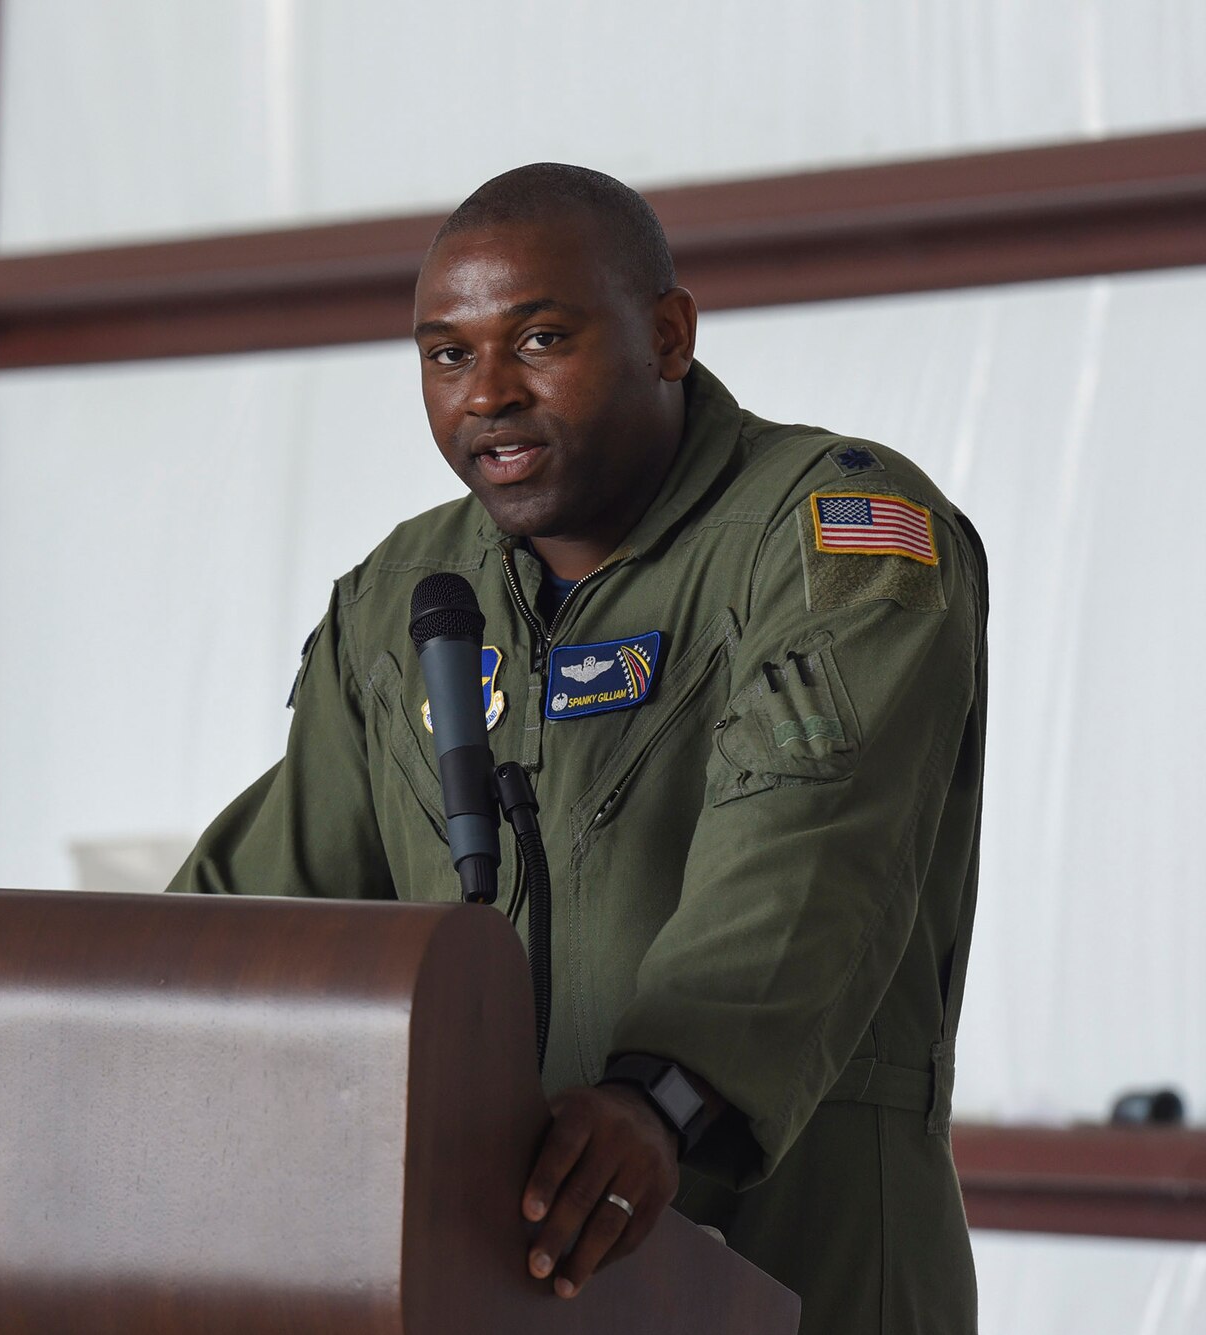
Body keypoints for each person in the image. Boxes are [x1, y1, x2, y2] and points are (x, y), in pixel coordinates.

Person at [166, 163, 985, 1335]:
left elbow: (810, 857)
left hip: (805, 1262)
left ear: (664, 335)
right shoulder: (405, 597)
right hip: (489, 1272)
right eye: (444, 356)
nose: (486, 393)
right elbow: (264, 913)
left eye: (538, 338)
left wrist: (655, 1098)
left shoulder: (830, 539)